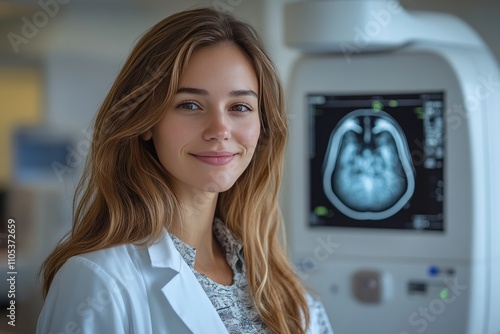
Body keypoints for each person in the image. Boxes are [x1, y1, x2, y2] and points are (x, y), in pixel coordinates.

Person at [36, 7, 334, 334]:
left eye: (240, 107)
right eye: (189, 105)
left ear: (262, 127)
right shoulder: (98, 282)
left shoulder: (285, 289)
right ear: (147, 122)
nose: (220, 129)